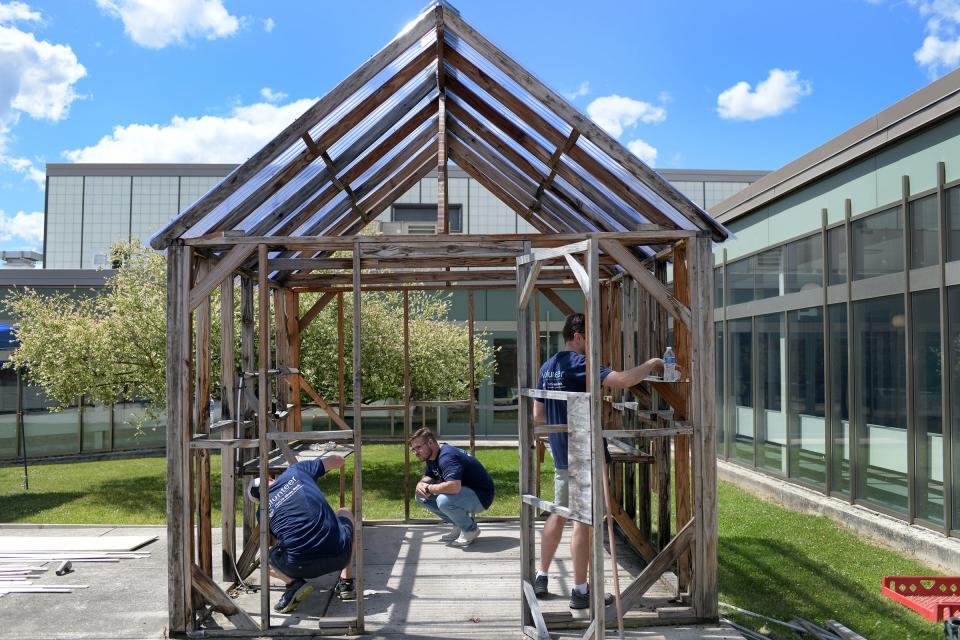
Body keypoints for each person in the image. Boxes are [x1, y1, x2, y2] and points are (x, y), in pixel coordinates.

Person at [533, 312, 667, 610]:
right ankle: (581, 591)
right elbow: (623, 380)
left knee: (559, 512)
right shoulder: (582, 364)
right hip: (586, 454)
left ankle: (541, 574)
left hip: (562, 454)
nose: (594, 343)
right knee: (585, 521)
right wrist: (654, 363)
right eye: (590, 337)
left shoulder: (548, 366)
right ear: (579, 335)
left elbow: (538, 416)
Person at [246, 455, 355, 614]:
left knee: (267, 558)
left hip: (300, 566)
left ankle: (294, 583)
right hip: (340, 556)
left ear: (259, 500)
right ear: (269, 478)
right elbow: (338, 461)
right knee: (345, 512)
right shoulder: (296, 471)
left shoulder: (262, 512)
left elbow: (277, 538)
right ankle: (346, 582)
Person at [411, 427, 496, 547]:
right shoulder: (432, 455)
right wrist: (421, 484)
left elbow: (453, 487)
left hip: (482, 496)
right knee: (421, 496)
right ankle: (458, 524)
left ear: (430, 442)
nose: (416, 452)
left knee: (443, 501)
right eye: (413, 449)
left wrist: (428, 488)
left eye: (418, 447)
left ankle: (470, 530)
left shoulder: (447, 456)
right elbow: (429, 475)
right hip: (464, 493)